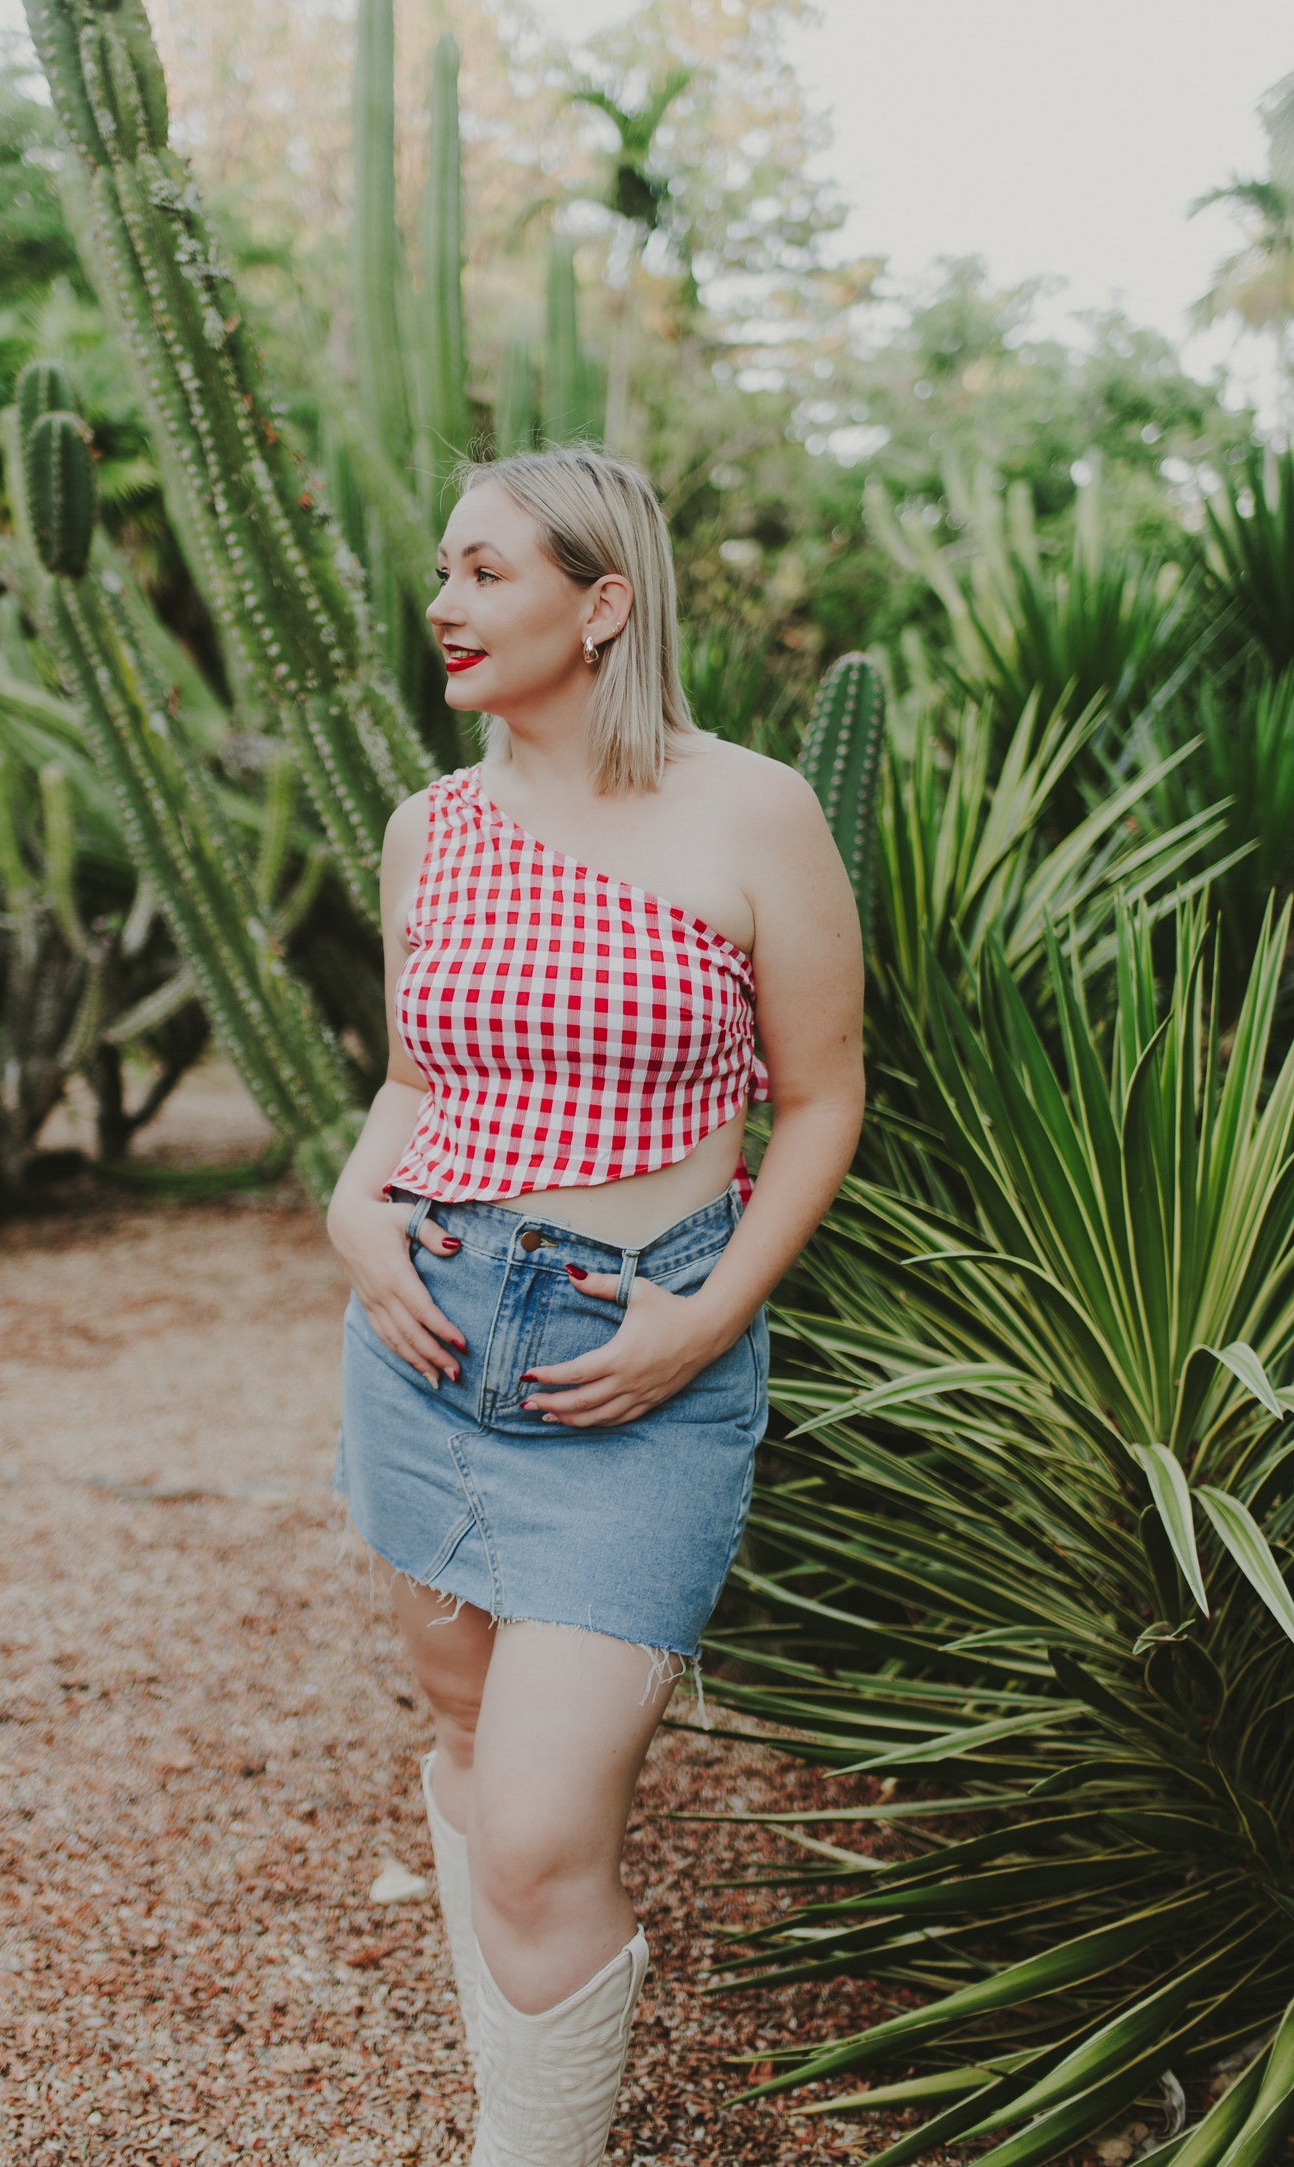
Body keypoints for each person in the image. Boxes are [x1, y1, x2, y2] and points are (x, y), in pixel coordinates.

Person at [325, 447, 864, 2166]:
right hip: (424, 1336)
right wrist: (353, 1206)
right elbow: (418, 1084)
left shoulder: (751, 808)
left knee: (543, 1829)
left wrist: (711, 1321)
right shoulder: (432, 828)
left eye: (485, 572)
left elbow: (825, 1097)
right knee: (470, 1734)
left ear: (601, 602)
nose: (443, 605)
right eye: (442, 572)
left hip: (637, 1355)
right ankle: (520, 2087)